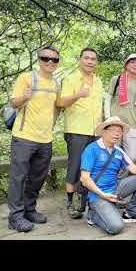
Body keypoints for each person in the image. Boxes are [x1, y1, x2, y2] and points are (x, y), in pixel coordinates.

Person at [7, 45, 61, 232]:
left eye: (54, 59)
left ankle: (29, 210)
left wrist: (52, 126)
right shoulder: (27, 78)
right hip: (24, 137)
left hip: (46, 139)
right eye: (46, 58)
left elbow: (56, 107)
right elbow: (14, 102)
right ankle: (15, 216)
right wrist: (24, 97)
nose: (50, 62)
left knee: (37, 178)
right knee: (18, 178)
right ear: (39, 59)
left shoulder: (56, 83)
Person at [81, 116, 136, 235]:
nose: (116, 134)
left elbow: (133, 168)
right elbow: (85, 179)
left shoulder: (119, 151)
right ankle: (93, 215)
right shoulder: (92, 149)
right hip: (98, 195)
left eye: (119, 131)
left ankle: (131, 213)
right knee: (116, 227)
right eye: (113, 130)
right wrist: (103, 195)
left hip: (115, 189)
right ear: (104, 131)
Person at [58, 47, 104, 220]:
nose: (90, 61)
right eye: (86, 58)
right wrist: (78, 94)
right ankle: (70, 202)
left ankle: (84, 201)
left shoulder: (98, 81)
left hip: (95, 131)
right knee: (75, 165)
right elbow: (61, 102)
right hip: (76, 130)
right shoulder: (70, 79)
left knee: (91, 167)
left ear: (97, 63)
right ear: (80, 60)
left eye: (93, 59)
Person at [104, 53, 136, 163]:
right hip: (115, 123)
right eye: (132, 62)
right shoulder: (117, 79)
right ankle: (112, 180)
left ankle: (121, 179)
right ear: (126, 65)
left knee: (131, 157)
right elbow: (108, 99)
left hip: (132, 124)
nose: (135, 65)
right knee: (111, 154)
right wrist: (108, 119)